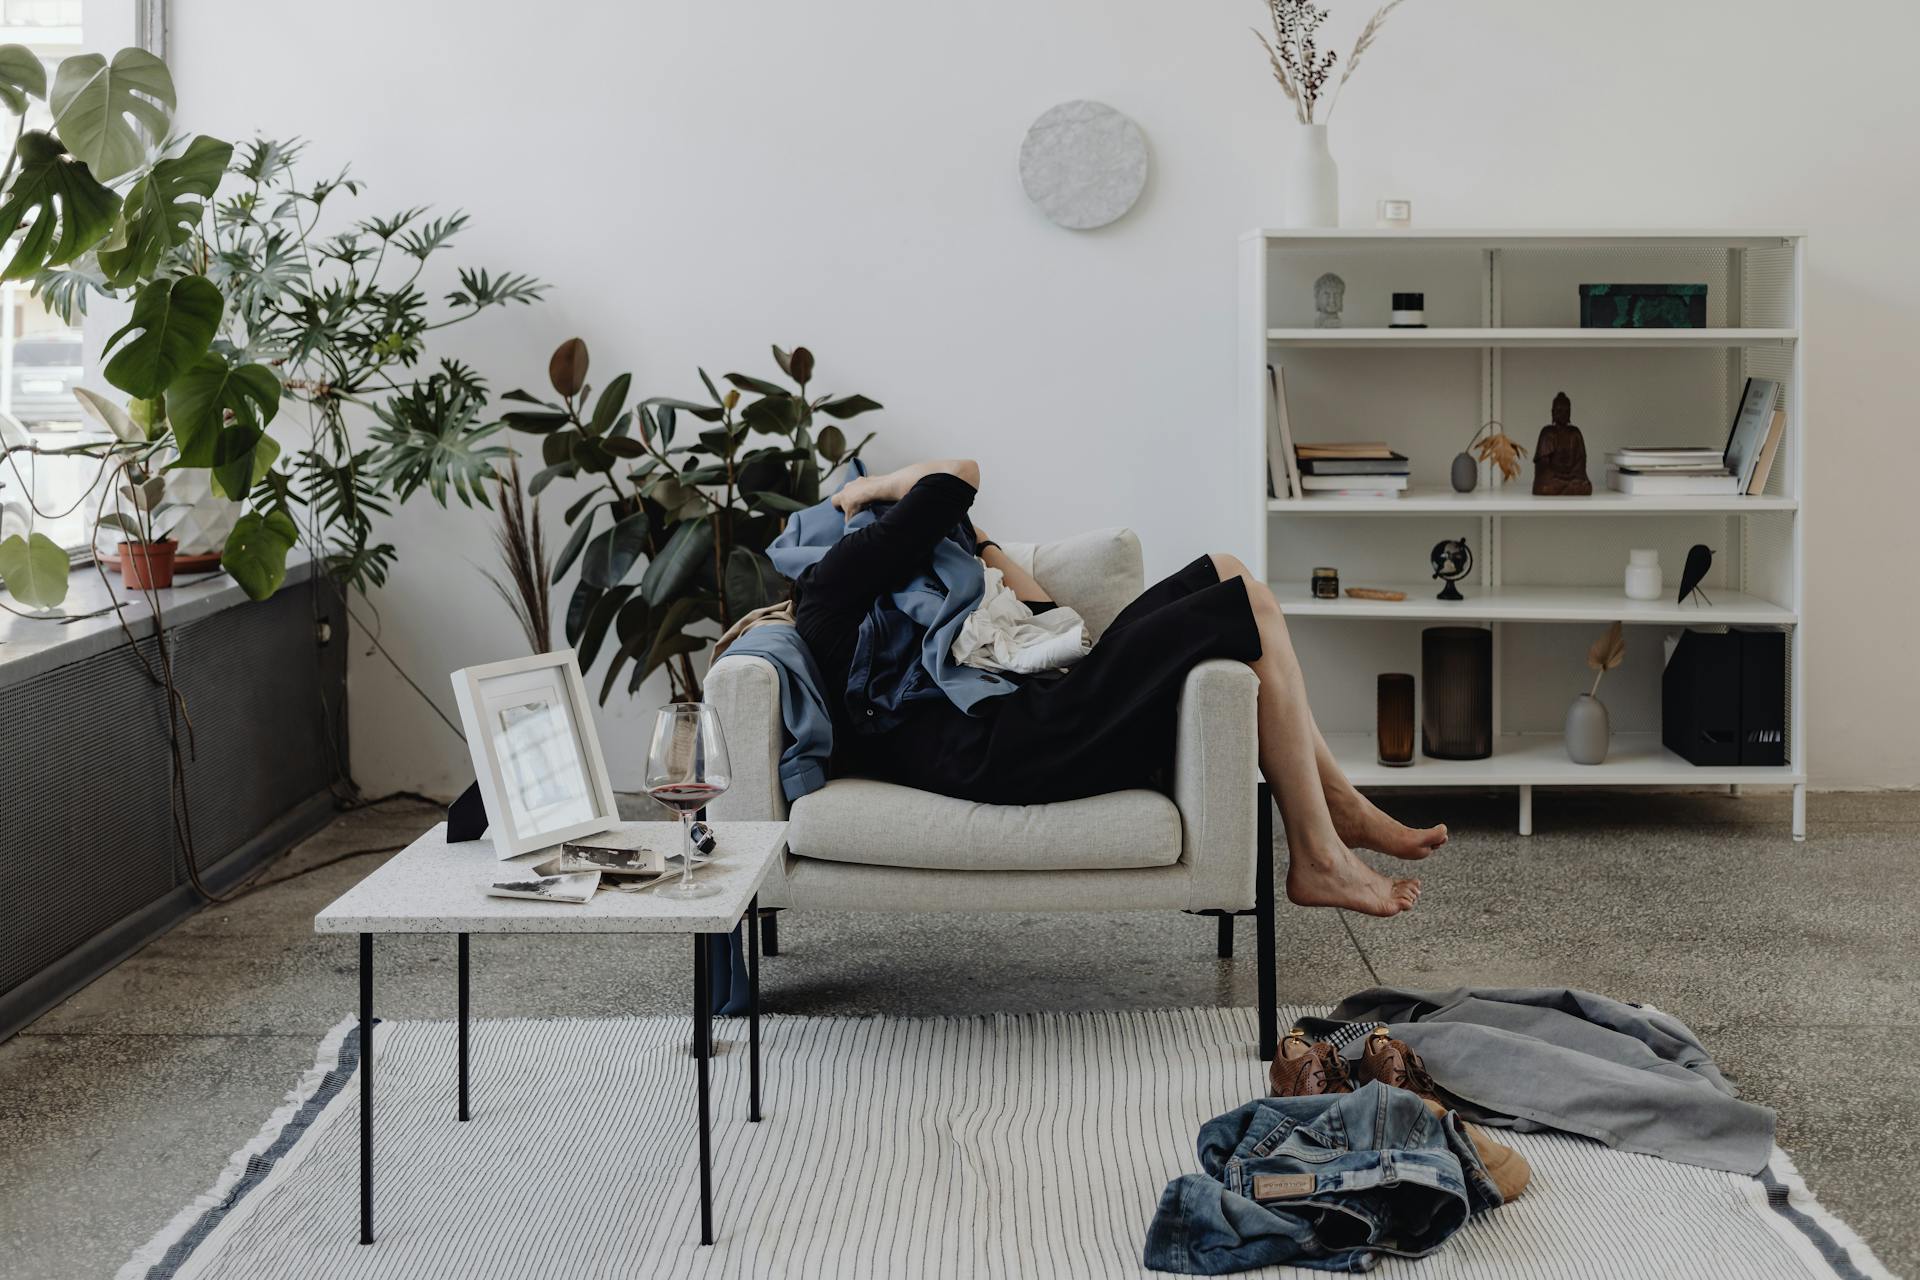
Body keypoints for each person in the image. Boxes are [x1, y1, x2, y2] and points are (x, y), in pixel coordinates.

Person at [791, 459, 1440, 918]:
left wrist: (977, 543)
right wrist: (872, 485)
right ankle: (1319, 851)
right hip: (1008, 748)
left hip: (1040, 713)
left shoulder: (929, 602)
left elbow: (1052, 625)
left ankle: (1337, 806)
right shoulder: (826, 594)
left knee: (1227, 569)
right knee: (1253, 606)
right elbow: (956, 475)